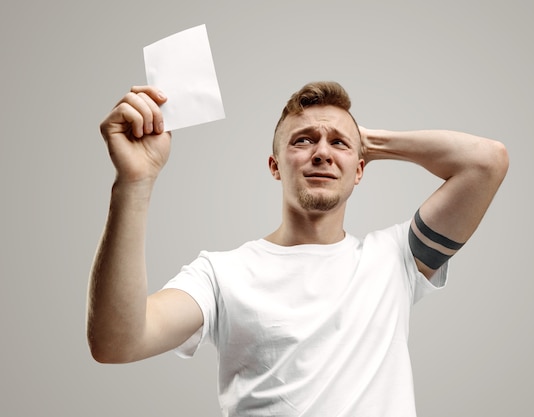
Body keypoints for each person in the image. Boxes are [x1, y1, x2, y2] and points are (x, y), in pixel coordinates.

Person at [87, 81, 508, 416]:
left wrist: (366, 142)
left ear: (360, 170)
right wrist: (134, 182)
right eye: (303, 141)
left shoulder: (396, 259)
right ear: (275, 166)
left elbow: (486, 162)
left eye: (338, 145)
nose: (322, 152)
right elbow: (117, 342)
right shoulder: (220, 274)